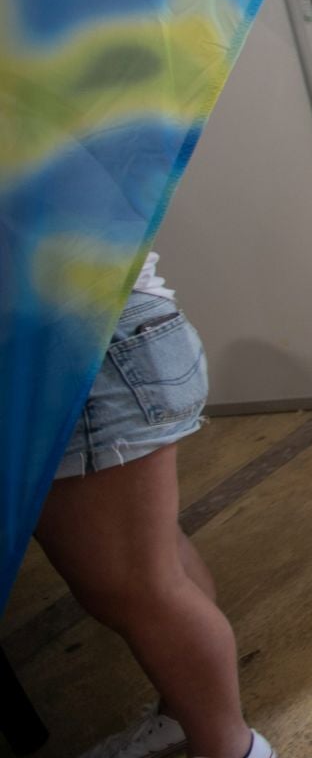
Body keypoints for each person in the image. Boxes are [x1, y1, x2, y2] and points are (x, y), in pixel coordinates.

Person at [38, 255, 273, 758]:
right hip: (115, 329)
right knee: (154, 568)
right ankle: (185, 719)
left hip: (81, 348)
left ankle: (228, 747)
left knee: (135, 588)